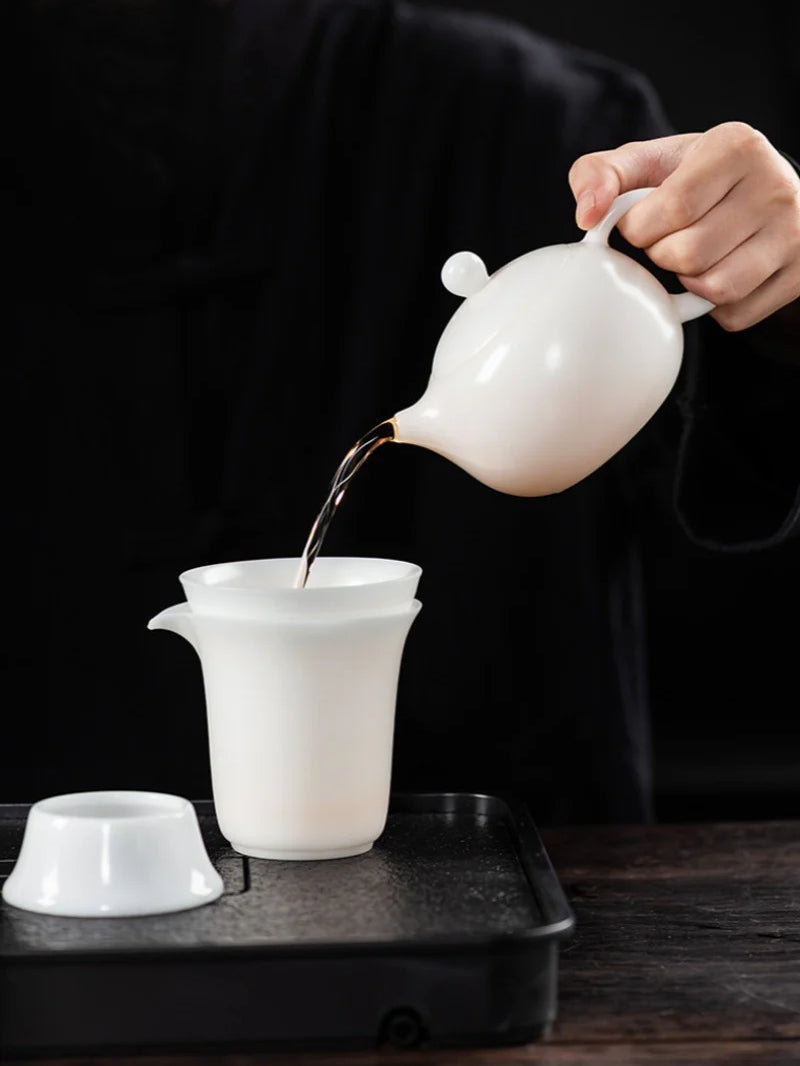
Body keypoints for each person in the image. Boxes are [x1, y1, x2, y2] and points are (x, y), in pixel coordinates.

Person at [7, 0, 800, 824]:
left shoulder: (548, 130)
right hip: (42, 852)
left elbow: (729, 498)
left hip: (516, 857)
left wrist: (775, 293)